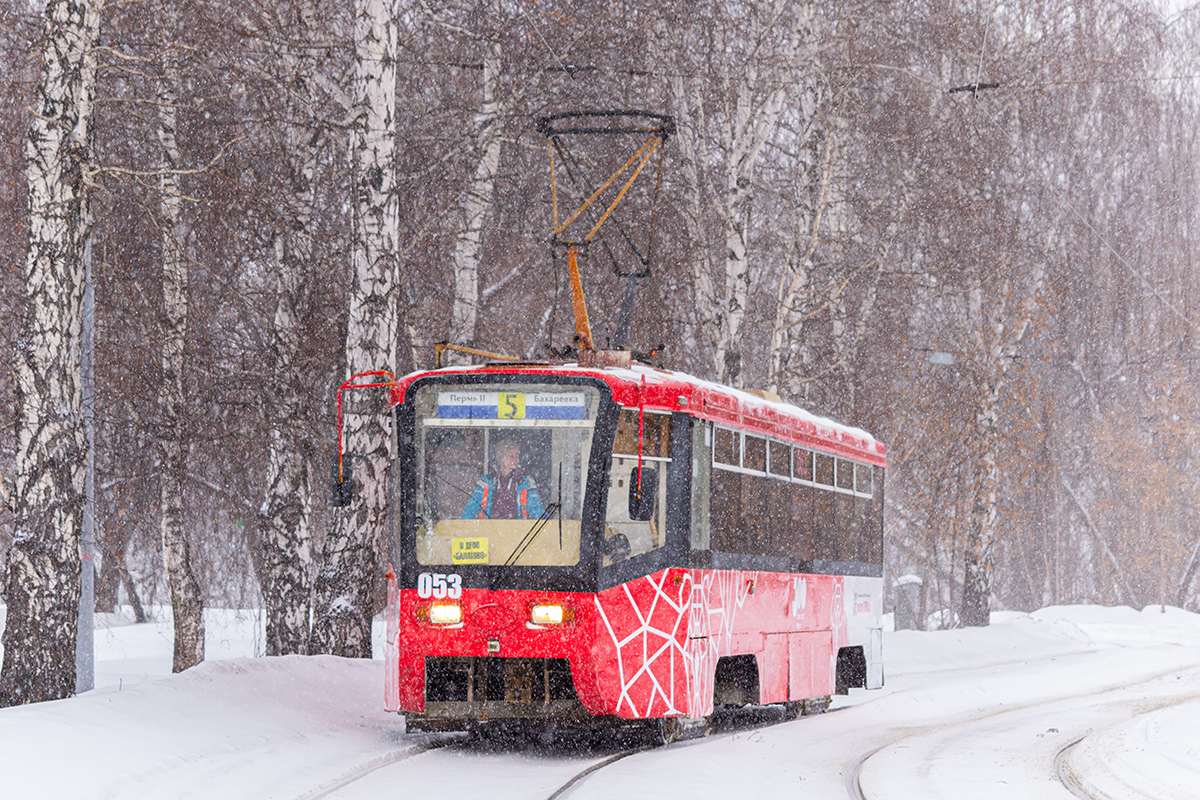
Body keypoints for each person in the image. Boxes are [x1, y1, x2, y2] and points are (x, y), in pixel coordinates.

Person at [461, 439, 546, 519]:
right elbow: (471, 508)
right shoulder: (487, 481)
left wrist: (545, 523)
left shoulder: (526, 482)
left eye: (517, 456)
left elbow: (536, 509)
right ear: (501, 458)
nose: (515, 459)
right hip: (490, 528)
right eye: (511, 456)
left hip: (517, 528)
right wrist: (462, 526)